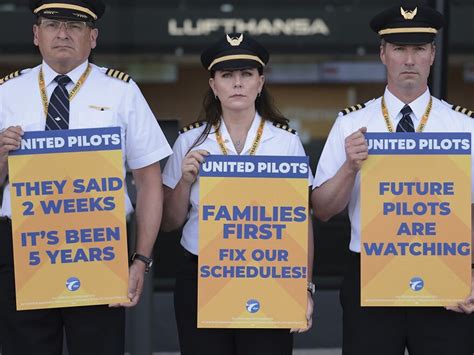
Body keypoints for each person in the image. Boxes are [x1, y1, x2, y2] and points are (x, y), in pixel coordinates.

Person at [0, 1, 172, 354]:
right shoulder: (6, 93)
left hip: (98, 244)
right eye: (52, 25)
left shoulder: (122, 91)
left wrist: (141, 259)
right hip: (23, 246)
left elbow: (149, 181)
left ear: (92, 37)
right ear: (36, 35)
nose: (62, 34)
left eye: (74, 26)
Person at [311, 2, 474, 355]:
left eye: (418, 49)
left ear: (432, 54)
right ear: (383, 54)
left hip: (446, 273)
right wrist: (349, 168)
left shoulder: (464, 127)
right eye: (400, 49)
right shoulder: (351, 124)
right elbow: (321, 209)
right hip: (369, 272)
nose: (410, 59)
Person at [161, 33, 314, 355]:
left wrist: (305, 287)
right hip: (202, 274)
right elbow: (170, 222)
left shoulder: (285, 142)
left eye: (246, 74)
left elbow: (301, 223)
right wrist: (185, 181)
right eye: (227, 75)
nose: (238, 83)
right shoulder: (189, 141)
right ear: (213, 85)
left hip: (270, 273)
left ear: (261, 82)